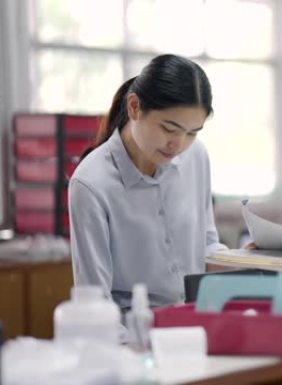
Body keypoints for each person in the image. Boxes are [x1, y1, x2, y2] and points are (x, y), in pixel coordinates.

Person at [69, 54, 227, 311]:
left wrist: (251, 259)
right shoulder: (91, 184)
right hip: (131, 336)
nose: (179, 145)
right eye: (169, 129)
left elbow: (206, 245)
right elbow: (95, 299)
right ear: (134, 107)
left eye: (191, 132)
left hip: (193, 324)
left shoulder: (195, 156)